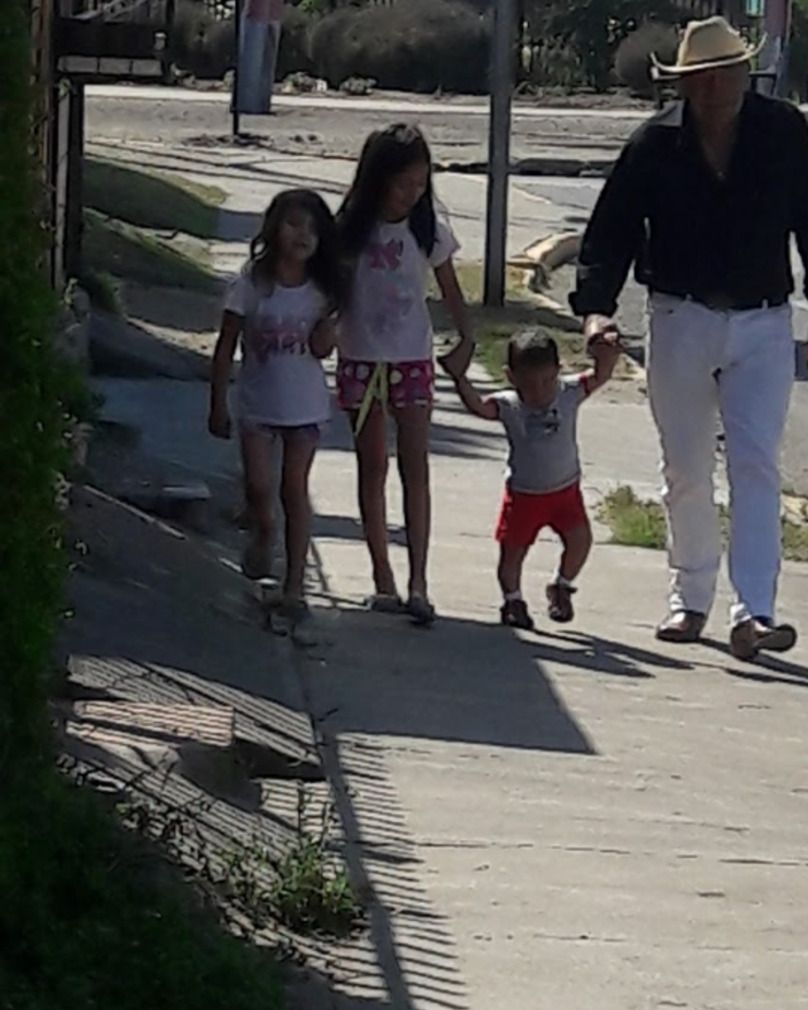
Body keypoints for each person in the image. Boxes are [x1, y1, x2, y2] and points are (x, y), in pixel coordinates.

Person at [570, 16, 808, 659]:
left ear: (745, 74)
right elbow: (611, 230)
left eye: (724, 74)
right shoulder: (654, 143)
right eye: (698, 77)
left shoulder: (782, 132)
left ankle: (755, 611)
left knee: (756, 463)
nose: (712, 88)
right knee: (686, 466)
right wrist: (596, 311)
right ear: (683, 83)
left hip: (762, 320)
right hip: (681, 316)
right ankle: (690, 597)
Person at [336, 122, 474, 627]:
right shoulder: (350, 228)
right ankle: (383, 577)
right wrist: (323, 324)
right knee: (372, 466)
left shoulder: (428, 230)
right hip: (360, 359)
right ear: (378, 179)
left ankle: (419, 581)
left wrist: (466, 336)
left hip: (412, 361)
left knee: (415, 469)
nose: (411, 194)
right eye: (402, 185)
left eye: (420, 184)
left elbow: (450, 288)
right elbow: (332, 286)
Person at [208, 187, 342, 618]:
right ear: (273, 228)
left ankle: (295, 584)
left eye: (312, 229)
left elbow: (322, 350)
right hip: (257, 405)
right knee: (259, 486)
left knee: (294, 490)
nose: (302, 235)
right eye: (293, 224)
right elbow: (226, 344)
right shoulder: (252, 283)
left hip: (305, 407)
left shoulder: (321, 291)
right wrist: (217, 403)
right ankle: (264, 532)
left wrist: (329, 329)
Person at [441, 328, 617, 630]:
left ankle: (562, 586)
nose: (539, 392)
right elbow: (479, 407)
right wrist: (460, 379)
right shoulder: (509, 404)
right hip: (524, 495)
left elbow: (600, 376)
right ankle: (513, 600)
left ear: (558, 371)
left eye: (547, 381)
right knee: (512, 553)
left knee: (580, 541)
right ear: (511, 377)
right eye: (529, 384)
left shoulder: (569, 392)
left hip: (565, 491)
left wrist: (606, 355)